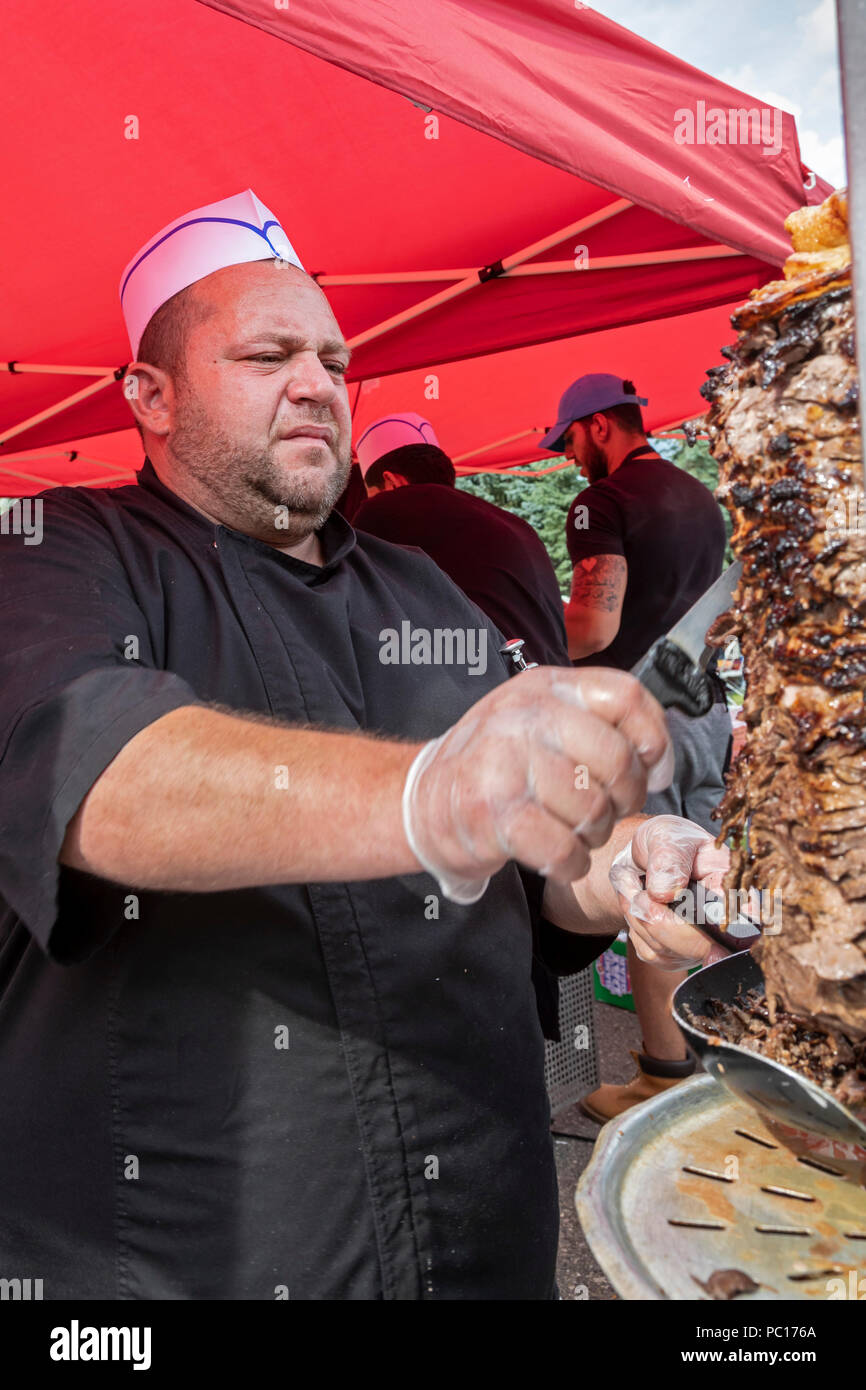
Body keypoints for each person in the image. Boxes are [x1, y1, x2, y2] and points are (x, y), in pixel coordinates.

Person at [0, 189, 728, 1301]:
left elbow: (539, 870)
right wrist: (433, 791)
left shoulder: (415, 584)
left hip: (483, 1240)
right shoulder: (56, 552)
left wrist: (624, 868)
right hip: (179, 1265)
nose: (315, 384)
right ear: (148, 394)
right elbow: (97, 774)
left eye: (334, 362)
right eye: (266, 354)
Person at [352, 413, 569, 668]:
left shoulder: (387, 508)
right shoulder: (515, 524)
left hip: (491, 693)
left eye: (371, 493)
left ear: (391, 481)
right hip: (554, 686)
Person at [539, 373, 726, 667]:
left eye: (570, 439)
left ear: (599, 426)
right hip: (702, 698)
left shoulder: (596, 503)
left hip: (628, 701)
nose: (568, 455)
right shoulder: (701, 495)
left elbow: (591, 630)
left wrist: (523, 645)